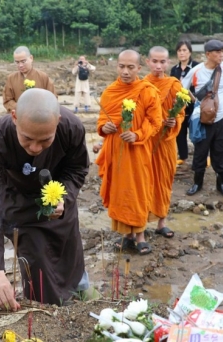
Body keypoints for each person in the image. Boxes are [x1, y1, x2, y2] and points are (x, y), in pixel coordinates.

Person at [0, 89, 89, 310]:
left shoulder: (71, 128)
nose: (35, 148)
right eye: (27, 138)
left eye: (45, 140)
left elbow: (77, 170)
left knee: (69, 250)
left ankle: (80, 293)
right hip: (18, 202)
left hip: (56, 198)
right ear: (14, 117)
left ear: (57, 122)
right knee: (36, 259)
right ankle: (45, 306)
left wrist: (63, 196)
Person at [96, 50, 163, 255]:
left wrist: (137, 135)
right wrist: (103, 128)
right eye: (121, 66)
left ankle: (140, 235)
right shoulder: (110, 92)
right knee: (120, 192)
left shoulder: (147, 91)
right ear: (117, 66)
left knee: (138, 190)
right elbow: (102, 120)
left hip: (138, 150)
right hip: (116, 150)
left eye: (130, 67)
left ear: (139, 68)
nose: (125, 71)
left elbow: (155, 122)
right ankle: (126, 235)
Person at [183, 40, 223, 198]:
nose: (221, 55)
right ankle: (197, 183)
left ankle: (222, 185)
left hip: (221, 119)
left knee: (221, 151)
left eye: (222, 52)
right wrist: (196, 101)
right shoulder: (196, 71)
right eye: (217, 52)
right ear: (207, 54)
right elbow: (182, 87)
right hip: (203, 120)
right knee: (200, 151)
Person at [144, 46, 185, 239]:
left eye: (162, 62)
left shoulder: (174, 85)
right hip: (147, 141)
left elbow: (182, 112)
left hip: (166, 142)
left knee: (164, 181)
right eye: (155, 61)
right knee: (144, 182)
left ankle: (162, 222)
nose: (158, 66)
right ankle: (139, 222)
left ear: (168, 63)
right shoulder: (142, 85)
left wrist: (174, 120)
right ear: (147, 62)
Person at [170, 40, 199, 166]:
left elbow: (201, 86)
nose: (182, 53)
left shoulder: (197, 67)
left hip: (194, 106)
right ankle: (183, 157)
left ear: (190, 52)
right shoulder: (174, 70)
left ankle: (201, 158)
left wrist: (192, 96)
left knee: (196, 133)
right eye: (179, 51)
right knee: (180, 133)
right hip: (179, 107)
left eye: (184, 50)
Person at [3, 46, 56, 113]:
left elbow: (52, 98)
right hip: (19, 117)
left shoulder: (43, 77)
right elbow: (7, 100)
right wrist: (20, 107)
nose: (20, 65)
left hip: (40, 116)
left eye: (23, 61)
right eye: (17, 62)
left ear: (31, 58)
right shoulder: (11, 78)